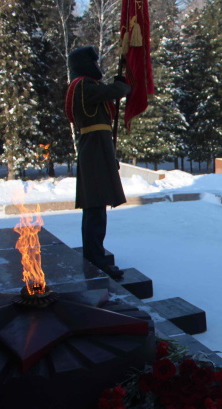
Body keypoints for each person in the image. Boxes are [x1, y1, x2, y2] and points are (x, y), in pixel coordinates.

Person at [66, 46, 131, 280]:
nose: (97, 66)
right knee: (95, 206)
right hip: (94, 149)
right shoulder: (83, 85)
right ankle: (95, 257)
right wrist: (122, 83)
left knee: (96, 206)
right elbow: (113, 91)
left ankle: (94, 253)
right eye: (93, 62)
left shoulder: (85, 85)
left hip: (97, 148)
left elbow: (108, 93)